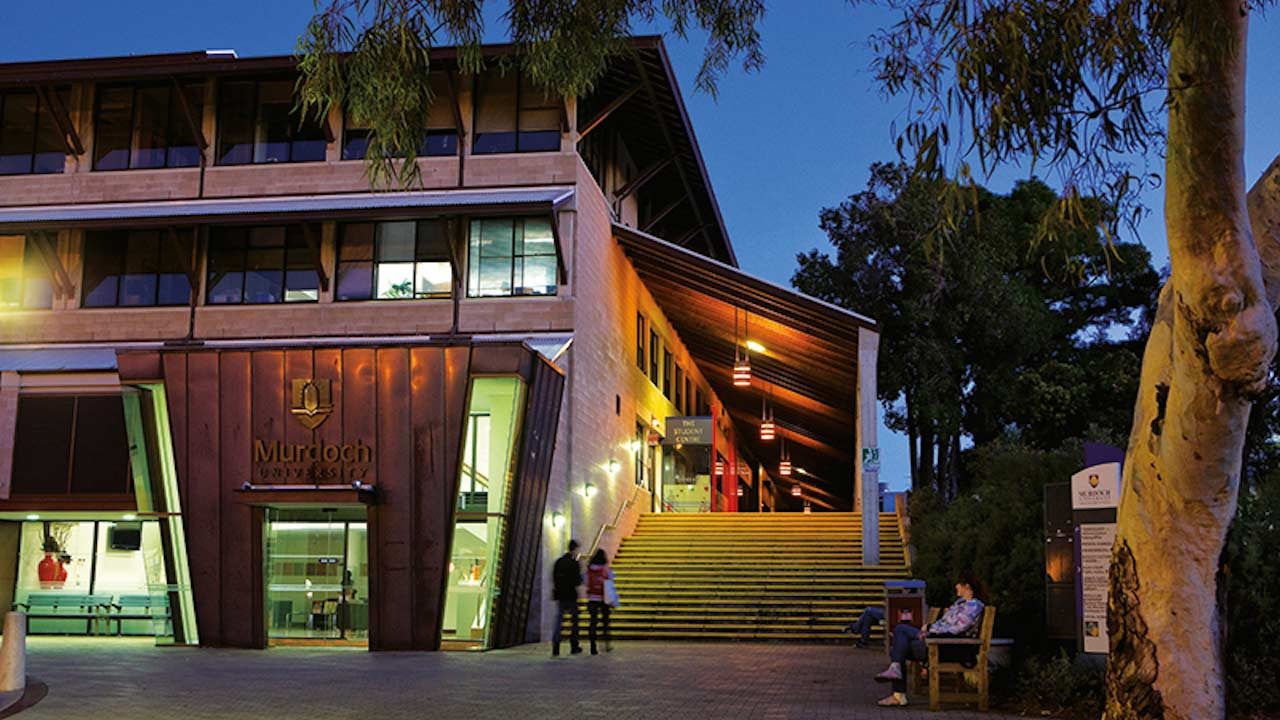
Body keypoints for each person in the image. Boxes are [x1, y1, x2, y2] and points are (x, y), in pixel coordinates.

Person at [873, 577, 986, 707]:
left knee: (900, 638)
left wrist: (930, 629)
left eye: (958, 584)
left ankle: (898, 693)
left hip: (946, 647)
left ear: (967, 586)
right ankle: (896, 675)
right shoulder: (960, 603)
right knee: (899, 644)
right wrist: (930, 630)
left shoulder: (974, 606)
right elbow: (945, 625)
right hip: (938, 641)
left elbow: (957, 629)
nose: (956, 586)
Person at [551, 539, 583, 656]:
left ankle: (556, 646)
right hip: (571, 595)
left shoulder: (558, 562)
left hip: (560, 595)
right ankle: (574, 645)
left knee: (559, 620)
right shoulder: (574, 563)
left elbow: (554, 577)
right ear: (574, 549)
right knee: (574, 621)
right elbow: (578, 581)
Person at [585, 548, 614, 655]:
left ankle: (593, 646)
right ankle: (607, 644)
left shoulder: (589, 570)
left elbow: (585, 581)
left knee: (593, 622)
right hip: (604, 599)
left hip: (592, 599)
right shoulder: (606, 570)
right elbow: (610, 584)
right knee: (605, 622)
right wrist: (612, 600)